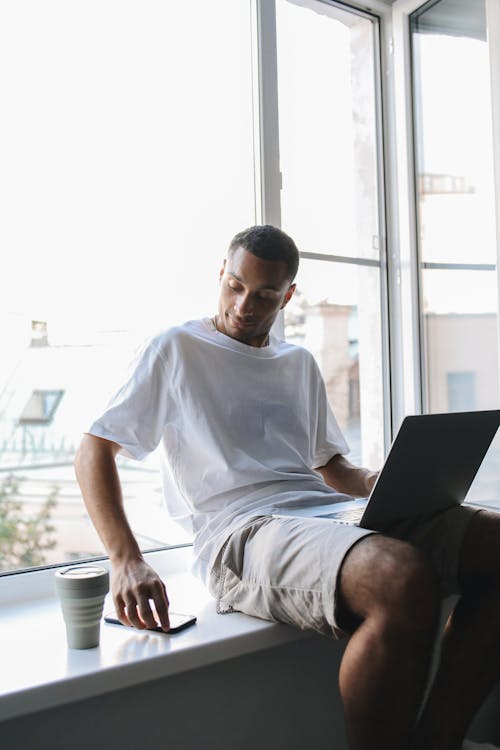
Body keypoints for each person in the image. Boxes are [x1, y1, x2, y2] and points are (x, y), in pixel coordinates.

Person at [75, 224, 500, 750]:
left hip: (322, 515)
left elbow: (335, 471)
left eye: (265, 295)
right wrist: (125, 558)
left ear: (289, 295)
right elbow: (94, 448)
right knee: (397, 574)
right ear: (222, 274)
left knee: (494, 539)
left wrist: (400, 482)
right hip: (241, 532)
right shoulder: (176, 348)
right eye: (235, 286)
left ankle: (439, 740)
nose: (244, 306)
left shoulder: (297, 363)